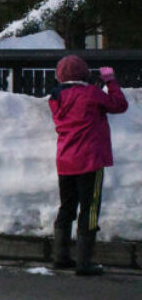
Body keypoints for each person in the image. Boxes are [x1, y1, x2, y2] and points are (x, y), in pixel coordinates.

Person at [48, 55, 128, 276]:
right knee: (90, 210)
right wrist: (109, 80)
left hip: (65, 161)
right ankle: (84, 262)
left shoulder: (55, 98)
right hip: (90, 160)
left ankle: (60, 257)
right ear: (84, 73)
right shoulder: (91, 94)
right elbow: (120, 105)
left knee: (66, 207)